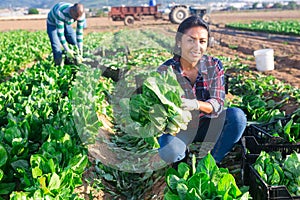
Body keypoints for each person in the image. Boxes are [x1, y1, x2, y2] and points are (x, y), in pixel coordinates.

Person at [157, 16, 247, 165]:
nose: (197, 46)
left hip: (208, 124)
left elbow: (217, 103)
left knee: (237, 117)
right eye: (191, 40)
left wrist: (196, 104)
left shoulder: (214, 65)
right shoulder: (166, 70)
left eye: (202, 41)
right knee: (168, 151)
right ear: (179, 42)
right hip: (180, 128)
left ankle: (212, 161)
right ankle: (181, 157)